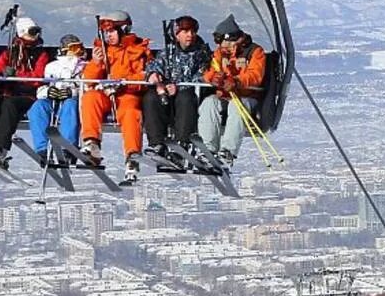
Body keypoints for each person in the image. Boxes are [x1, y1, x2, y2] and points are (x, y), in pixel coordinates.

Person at [80, 11, 152, 182]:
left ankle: (132, 155)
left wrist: (124, 82)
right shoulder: (104, 51)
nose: (108, 36)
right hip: (107, 94)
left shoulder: (139, 50)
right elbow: (89, 80)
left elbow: (144, 75)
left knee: (130, 112)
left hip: (128, 94)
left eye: (112, 32)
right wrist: (96, 63)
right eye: (106, 32)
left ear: (123, 30)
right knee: (90, 97)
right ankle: (92, 143)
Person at [0, 16, 49, 166]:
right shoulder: (10, 53)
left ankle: (0, 146)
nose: (36, 36)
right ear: (21, 33)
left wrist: (17, 75)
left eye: (37, 32)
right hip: (8, 92)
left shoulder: (41, 54)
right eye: (32, 32)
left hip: (28, 95)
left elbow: (38, 77)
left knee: (10, 105)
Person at [197, 14, 267, 167]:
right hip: (225, 95)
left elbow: (255, 75)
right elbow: (208, 70)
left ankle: (228, 151)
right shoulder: (219, 53)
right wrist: (213, 78)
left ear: (231, 38)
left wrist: (237, 82)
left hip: (246, 96)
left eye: (222, 41)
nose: (220, 45)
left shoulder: (255, 52)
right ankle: (208, 148)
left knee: (237, 107)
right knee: (209, 103)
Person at [143, 15, 212, 161]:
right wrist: (153, 75)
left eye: (192, 31)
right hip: (168, 97)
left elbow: (203, 76)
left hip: (190, 99)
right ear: (176, 34)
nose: (190, 35)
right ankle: (157, 143)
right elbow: (155, 65)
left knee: (185, 97)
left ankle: (182, 143)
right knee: (150, 97)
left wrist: (179, 87)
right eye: (185, 31)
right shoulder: (168, 52)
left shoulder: (202, 54)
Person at [28, 34, 87, 156]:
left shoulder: (85, 66)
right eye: (74, 48)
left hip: (72, 99)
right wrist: (47, 92)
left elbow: (88, 86)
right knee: (37, 107)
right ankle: (41, 148)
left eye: (80, 47)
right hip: (53, 99)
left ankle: (68, 146)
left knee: (70, 106)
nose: (79, 51)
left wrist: (72, 92)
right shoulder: (52, 66)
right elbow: (42, 85)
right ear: (65, 50)